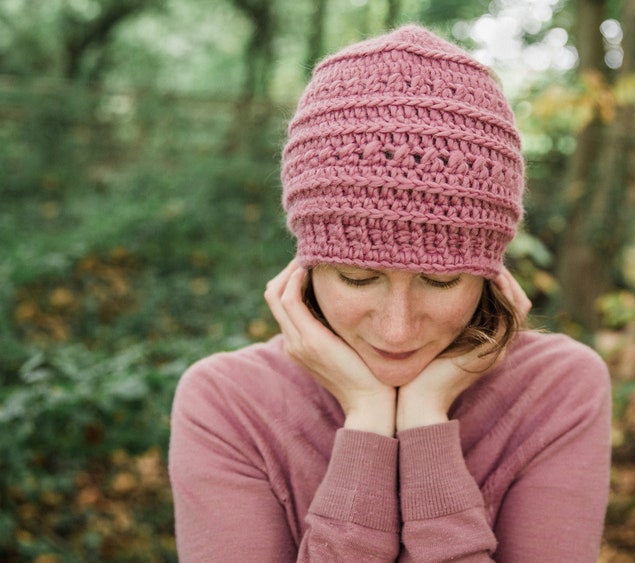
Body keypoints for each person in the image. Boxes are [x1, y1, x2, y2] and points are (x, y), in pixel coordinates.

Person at [168, 24, 611, 562]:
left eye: (442, 280)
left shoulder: (558, 389)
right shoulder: (227, 403)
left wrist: (426, 418)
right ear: (306, 268)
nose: (397, 329)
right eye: (357, 278)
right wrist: (366, 420)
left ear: (490, 273)